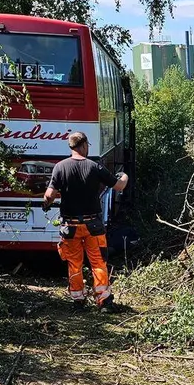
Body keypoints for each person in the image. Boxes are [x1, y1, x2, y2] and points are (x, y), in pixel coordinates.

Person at [43, 131, 128, 307]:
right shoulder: (94, 167)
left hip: (70, 225)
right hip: (93, 225)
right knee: (98, 261)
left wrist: (47, 204)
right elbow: (119, 186)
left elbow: (49, 195)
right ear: (83, 145)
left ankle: (78, 300)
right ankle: (104, 300)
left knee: (74, 263)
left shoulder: (60, 167)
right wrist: (124, 176)